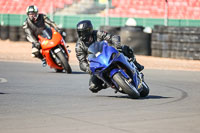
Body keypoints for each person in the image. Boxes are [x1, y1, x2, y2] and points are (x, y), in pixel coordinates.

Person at [75, 20, 144, 93]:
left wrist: (117, 46)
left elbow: (112, 37)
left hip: (108, 54)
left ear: (89, 30)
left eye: (83, 32)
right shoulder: (79, 46)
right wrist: (87, 68)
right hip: (97, 64)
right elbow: (81, 61)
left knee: (125, 49)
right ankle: (110, 83)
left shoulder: (98, 33)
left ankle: (136, 64)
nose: (81, 34)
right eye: (79, 32)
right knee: (93, 87)